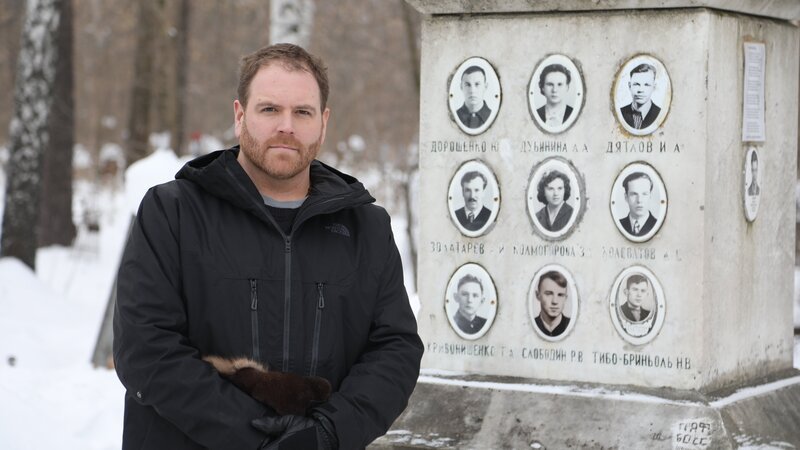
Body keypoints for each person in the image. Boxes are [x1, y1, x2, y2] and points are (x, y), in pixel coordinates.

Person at [113, 43, 424, 450]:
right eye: (270, 109)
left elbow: (394, 349)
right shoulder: (173, 212)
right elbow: (146, 350)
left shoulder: (366, 226)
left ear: (323, 122)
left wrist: (328, 434)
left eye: (302, 112)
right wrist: (256, 438)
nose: (287, 126)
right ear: (240, 115)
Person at [619, 63, 661, 130]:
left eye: (646, 85)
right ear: (630, 86)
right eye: (636, 84)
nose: (641, 90)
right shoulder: (620, 113)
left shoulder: (660, 114)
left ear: (654, 87)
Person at [619, 171, 657, 237]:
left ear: (650, 196)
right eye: (634, 194)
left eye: (644, 194)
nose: (639, 200)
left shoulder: (657, 225)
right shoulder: (619, 225)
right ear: (626, 197)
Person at [533, 271, 571, 337]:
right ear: (538, 295)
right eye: (548, 294)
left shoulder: (570, 326)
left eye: (560, 295)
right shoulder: (531, 325)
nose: (555, 301)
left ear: (565, 298)